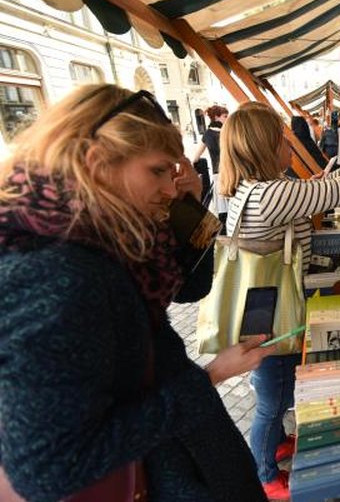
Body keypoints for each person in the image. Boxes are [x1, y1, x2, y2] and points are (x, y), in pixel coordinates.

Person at [0, 85, 273, 501]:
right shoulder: (61, 273)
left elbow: (189, 286)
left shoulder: (95, 232)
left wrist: (189, 206)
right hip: (172, 474)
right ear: (97, 164)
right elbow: (53, 466)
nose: (168, 187)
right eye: (157, 171)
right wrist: (208, 378)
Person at [218, 101, 340, 499]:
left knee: (280, 384)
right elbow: (328, 193)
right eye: (282, 140)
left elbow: (314, 190)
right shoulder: (270, 195)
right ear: (263, 147)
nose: (289, 147)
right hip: (269, 317)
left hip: (271, 308)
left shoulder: (258, 190)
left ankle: (274, 443)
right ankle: (264, 472)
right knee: (271, 400)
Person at [193, 105, 230, 225]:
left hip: (217, 175)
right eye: (225, 116)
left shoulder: (207, 134)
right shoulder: (227, 132)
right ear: (216, 117)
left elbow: (196, 157)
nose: (227, 118)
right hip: (230, 173)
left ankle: (224, 235)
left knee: (222, 209)